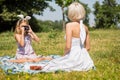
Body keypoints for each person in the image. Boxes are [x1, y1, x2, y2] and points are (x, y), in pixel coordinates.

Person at [29, 2, 95, 72]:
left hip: (73, 56)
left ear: (70, 13)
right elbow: (88, 48)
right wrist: (82, 55)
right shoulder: (85, 27)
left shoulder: (69, 25)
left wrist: (64, 56)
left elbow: (68, 46)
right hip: (85, 60)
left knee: (53, 64)